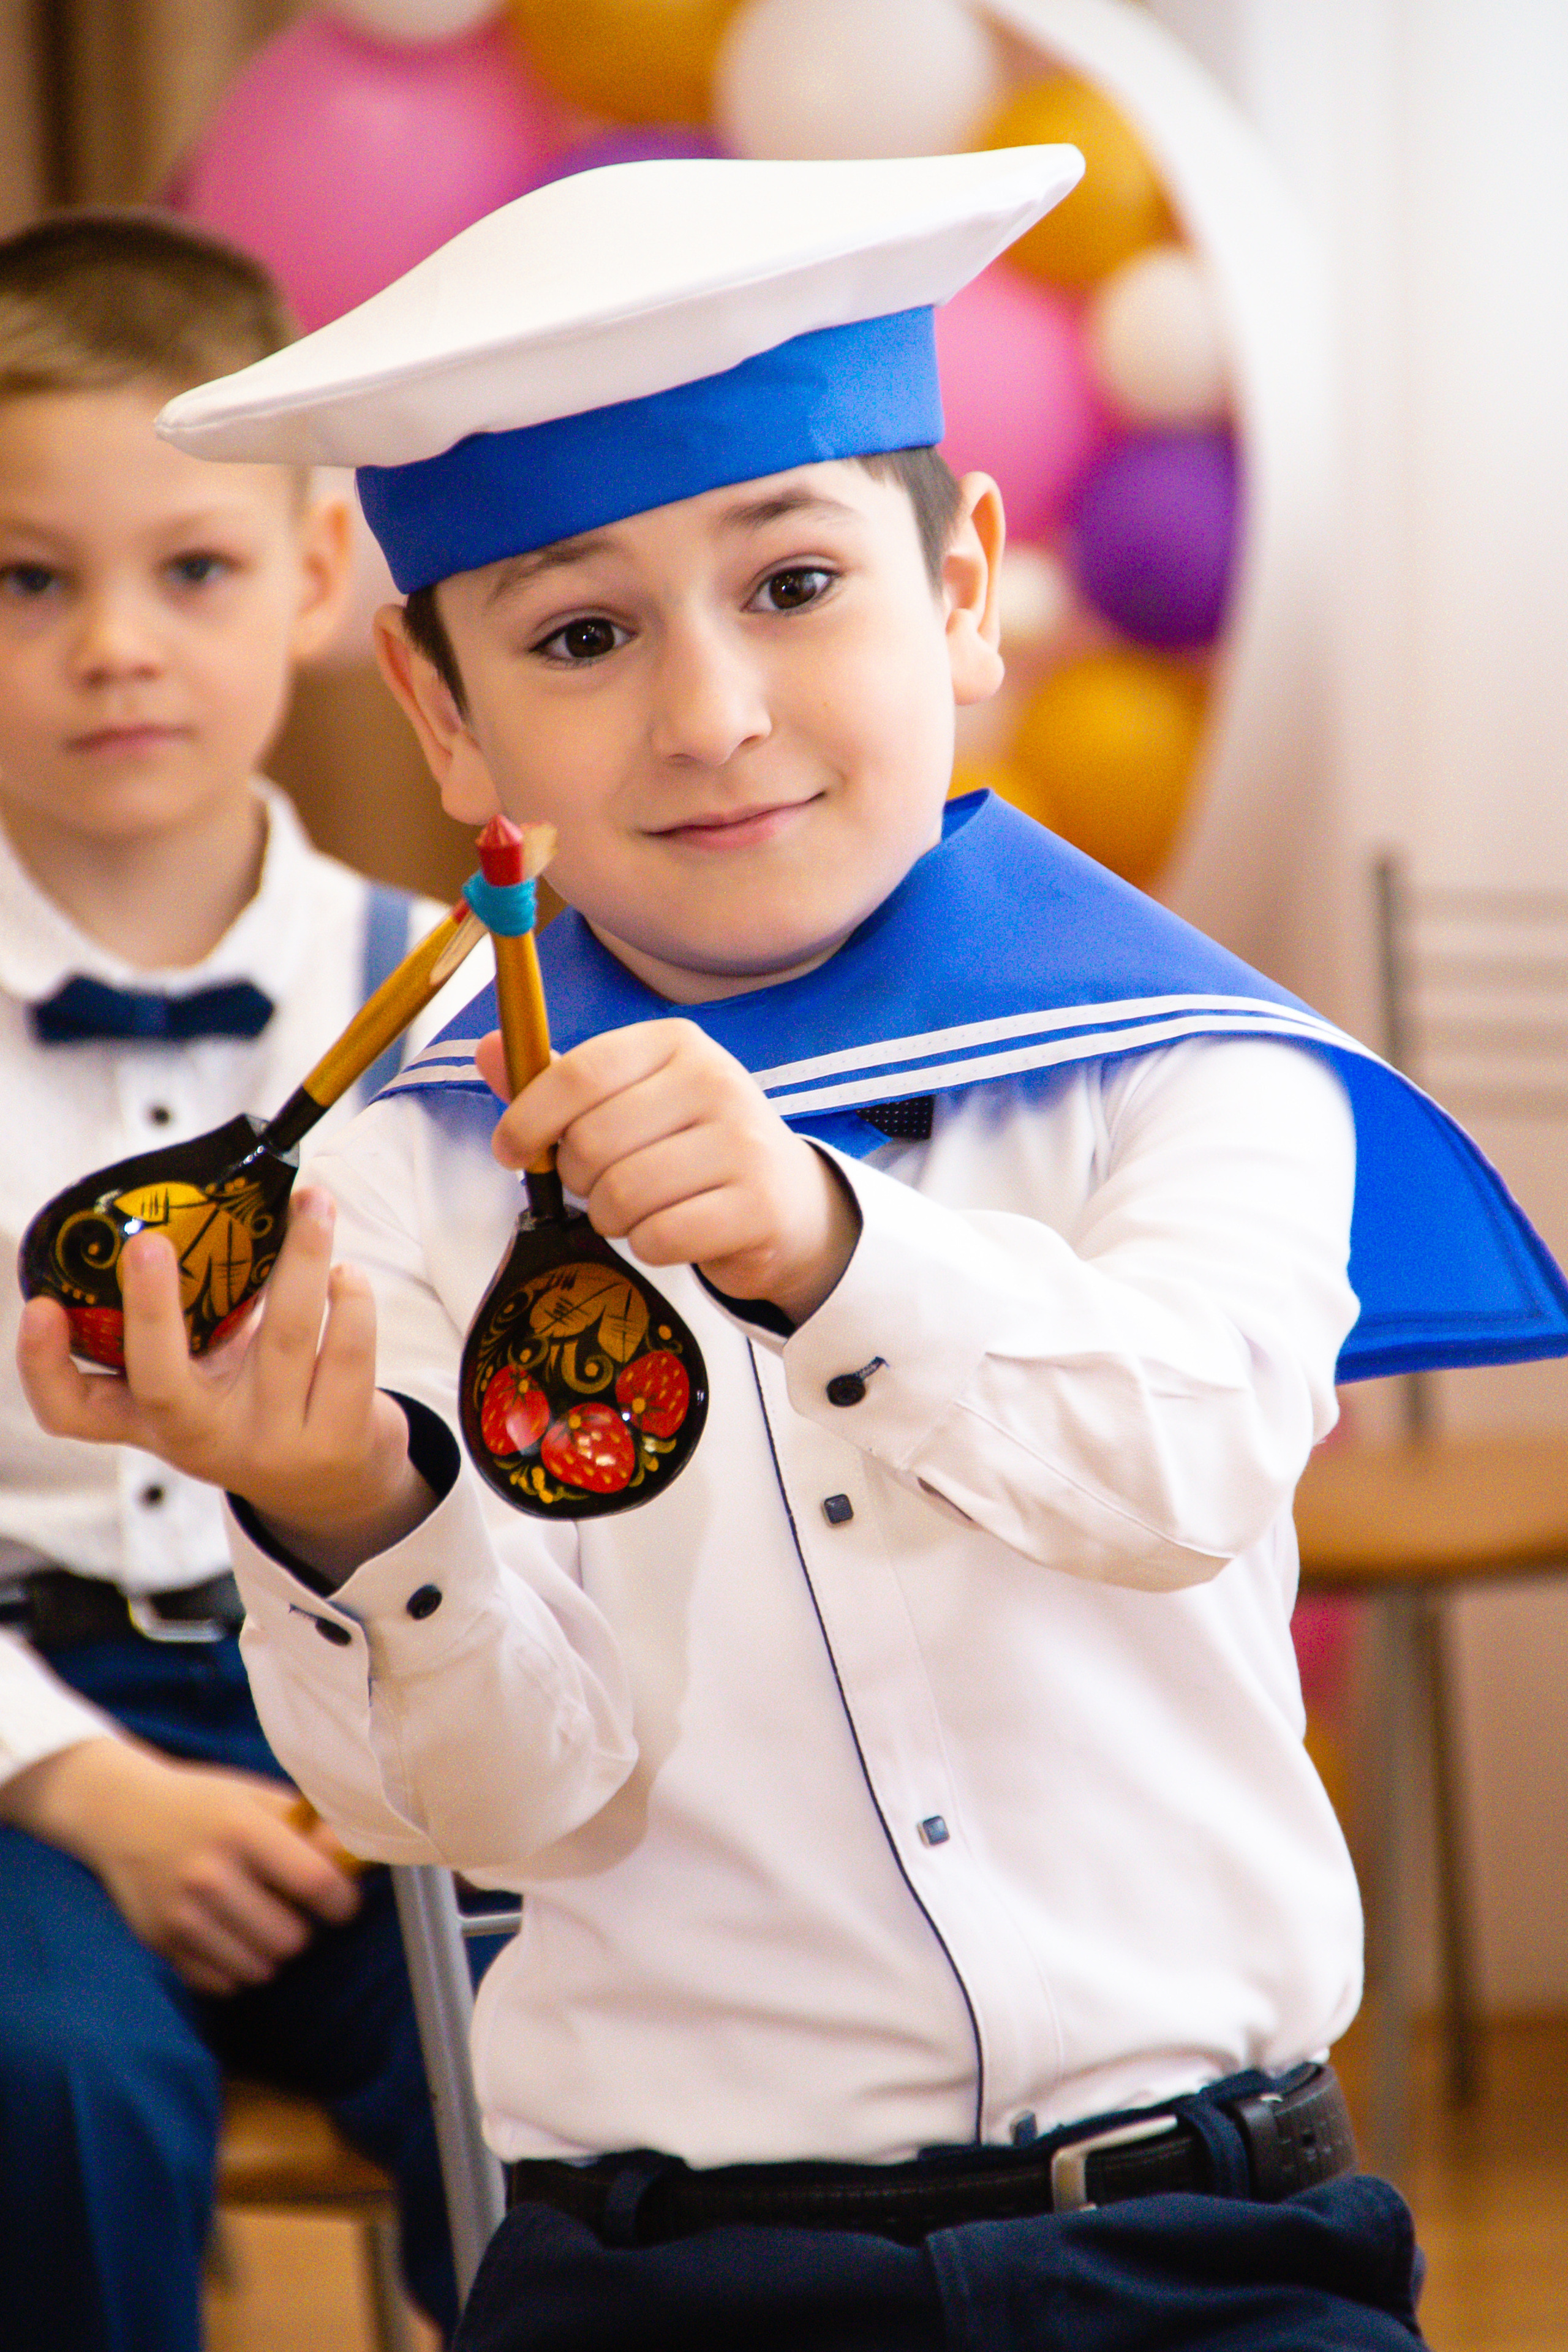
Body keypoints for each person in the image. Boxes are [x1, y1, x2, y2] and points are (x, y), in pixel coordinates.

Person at [21, 153, 1568, 2350]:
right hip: (671, 2278)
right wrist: (349, 1505)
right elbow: (496, 1803)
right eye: (581, 636)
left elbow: (1184, 1467)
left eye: (798, 584)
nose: (711, 714)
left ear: (963, 592)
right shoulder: (408, 1182)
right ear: (442, 713)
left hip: (1213, 2248)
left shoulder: (1198, 1065)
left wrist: (838, 1250)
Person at [0, 211, 484, 2351]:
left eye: (190, 569)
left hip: (371, 1701)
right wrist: (81, 1787)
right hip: (23, 1744)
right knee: (55, 2089)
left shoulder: (450, 1002)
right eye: (28, 580)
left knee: (550, 2041)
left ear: (311, 576)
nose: (115, 645)